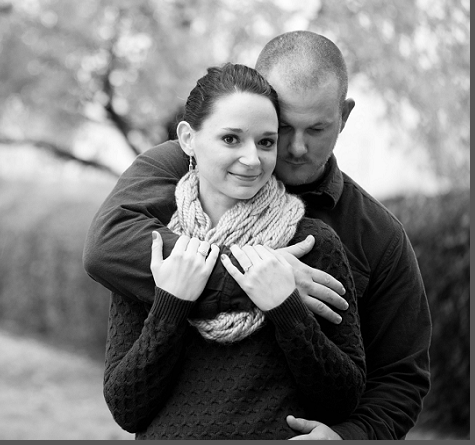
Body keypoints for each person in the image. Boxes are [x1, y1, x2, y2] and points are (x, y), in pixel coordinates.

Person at [84, 31, 431, 440]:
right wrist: (245, 279)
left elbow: (399, 377)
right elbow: (107, 246)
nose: (297, 148)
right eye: (283, 128)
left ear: (345, 116)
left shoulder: (375, 234)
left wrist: (350, 437)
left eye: (317, 128)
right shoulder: (180, 169)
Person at [102, 62, 365, 439]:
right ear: (188, 139)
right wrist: (171, 305)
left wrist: (286, 309)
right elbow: (126, 408)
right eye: (231, 139)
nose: (252, 159)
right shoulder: (158, 247)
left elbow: (342, 399)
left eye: (266, 142)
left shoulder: (311, 244)